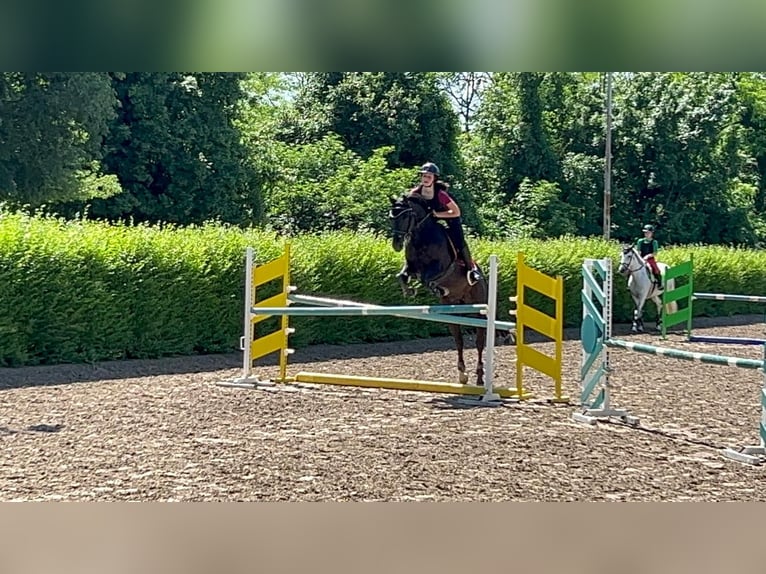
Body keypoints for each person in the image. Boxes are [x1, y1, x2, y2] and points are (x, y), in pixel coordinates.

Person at [408, 162, 482, 285]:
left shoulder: (441, 194)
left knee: (459, 240)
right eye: (424, 176)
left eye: (429, 177)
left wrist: (438, 215)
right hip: (431, 221)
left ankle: (471, 269)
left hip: (450, 217)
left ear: (434, 179)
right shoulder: (415, 192)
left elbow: (456, 211)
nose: (426, 179)